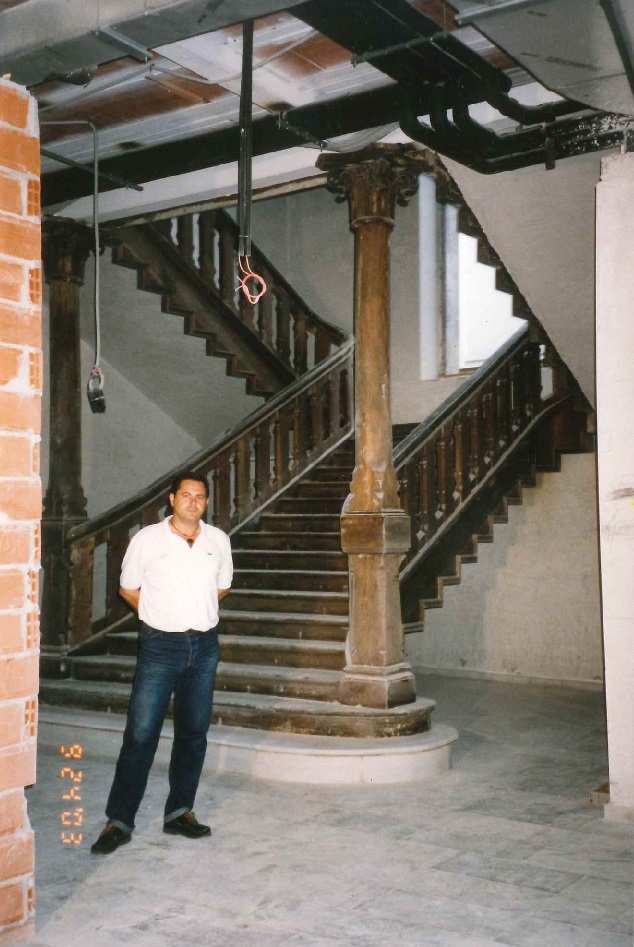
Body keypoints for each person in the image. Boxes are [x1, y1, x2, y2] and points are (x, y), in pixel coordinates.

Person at [90, 471, 232, 855]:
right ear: (171, 499)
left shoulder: (218, 540)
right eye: (186, 495)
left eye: (200, 497)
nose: (193, 502)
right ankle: (119, 820)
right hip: (159, 647)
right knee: (140, 735)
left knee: (193, 733)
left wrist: (191, 612)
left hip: (203, 647)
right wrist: (158, 614)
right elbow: (127, 588)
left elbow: (222, 586)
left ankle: (180, 812)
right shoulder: (147, 539)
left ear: (206, 502)